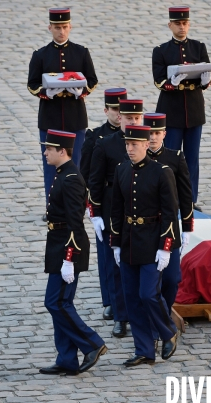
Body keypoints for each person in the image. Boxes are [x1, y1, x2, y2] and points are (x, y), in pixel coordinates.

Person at [110, 125, 180, 367]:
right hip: (129, 241)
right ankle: (144, 350)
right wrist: (115, 244)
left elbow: (171, 213)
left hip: (153, 241)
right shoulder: (121, 170)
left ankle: (168, 330)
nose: (129, 149)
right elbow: (116, 210)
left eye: (134, 145)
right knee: (132, 298)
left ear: (145, 145)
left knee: (148, 294)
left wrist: (166, 246)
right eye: (127, 144)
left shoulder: (162, 172)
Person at [38, 129, 107, 376]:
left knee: (57, 302)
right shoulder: (62, 174)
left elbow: (75, 223)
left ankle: (92, 344)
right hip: (58, 245)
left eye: (49, 149)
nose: (45, 152)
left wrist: (69, 258)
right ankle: (67, 358)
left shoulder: (71, 179)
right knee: (59, 302)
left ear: (62, 151)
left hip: (68, 248)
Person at [27, 8, 98, 216]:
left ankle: (75, 206)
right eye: (57, 27)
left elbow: (92, 80)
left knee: (76, 164)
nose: (61, 31)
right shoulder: (41, 55)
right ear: (50, 28)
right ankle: (53, 207)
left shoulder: (81, 52)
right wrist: (47, 92)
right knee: (51, 166)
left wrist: (81, 91)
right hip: (50, 118)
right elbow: (32, 84)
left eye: (65, 27)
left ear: (70, 26)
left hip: (75, 116)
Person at [88, 99, 144, 338]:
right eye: (129, 118)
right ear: (119, 118)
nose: (133, 122)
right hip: (114, 210)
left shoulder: (145, 143)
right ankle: (121, 317)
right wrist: (96, 214)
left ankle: (140, 313)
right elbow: (94, 181)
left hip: (142, 210)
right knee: (116, 266)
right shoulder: (106, 145)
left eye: (137, 118)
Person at [152, 6, 211, 209]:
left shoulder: (198, 47)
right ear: (170, 25)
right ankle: (169, 198)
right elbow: (158, 80)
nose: (182, 27)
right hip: (172, 111)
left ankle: (190, 199)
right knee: (169, 157)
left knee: (191, 159)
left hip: (194, 111)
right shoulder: (161, 51)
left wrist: (205, 80)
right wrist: (172, 82)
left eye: (185, 23)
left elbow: (206, 76)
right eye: (178, 23)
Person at [80, 88, 127, 320]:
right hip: (106, 201)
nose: (119, 114)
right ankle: (109, 299)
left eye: (123, 110)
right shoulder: (95, 137)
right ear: (106, 110)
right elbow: (86, 174)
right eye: (115, 110)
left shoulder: (136, 137)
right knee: (107, 255)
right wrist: (92, 208)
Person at [146, 112, 193, 311]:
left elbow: (185, 195)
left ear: (164, 134)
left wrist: (188, 227)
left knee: (172, 278)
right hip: (145, 227)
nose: (153, 137)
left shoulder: (175, 158)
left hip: (169, 227)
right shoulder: (134, 159)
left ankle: (164, 310)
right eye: (149, 133)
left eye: (157, 133)